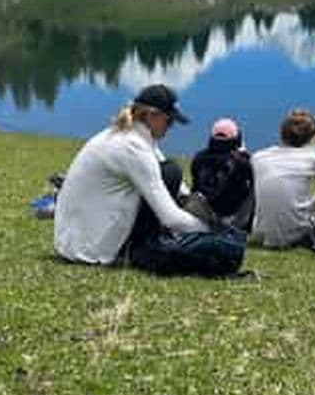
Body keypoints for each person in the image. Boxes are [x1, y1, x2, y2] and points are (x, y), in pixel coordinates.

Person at [54, 84, 245, 276]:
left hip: (76, 240)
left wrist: (196, 205)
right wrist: (210, 230)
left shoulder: (125, 135)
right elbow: (170, 218)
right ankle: (143, 248)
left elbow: (179, 188)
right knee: (171, 173)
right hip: (91, 249)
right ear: (152, 116)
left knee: (170, 172)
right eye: (169, 121)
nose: (170, 127)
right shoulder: (132, 148)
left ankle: (148, 243)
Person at [250, 108, 315, 249]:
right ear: (314, 137)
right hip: (297, 234)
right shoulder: (312, 160)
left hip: (259, 231)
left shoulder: (258, 157)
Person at [187, 118, 254, 231]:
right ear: (237, 140)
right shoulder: (243, 163)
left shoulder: (198, 158)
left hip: (202, 217)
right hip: (233, 222)